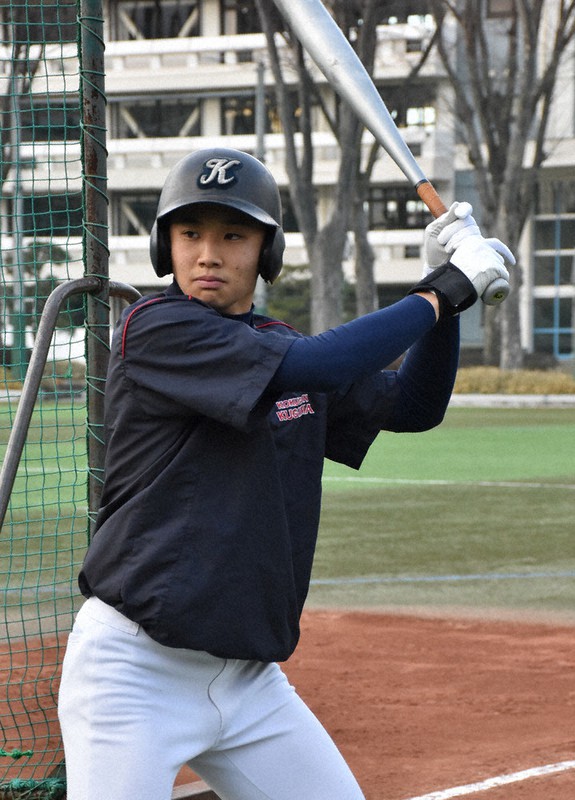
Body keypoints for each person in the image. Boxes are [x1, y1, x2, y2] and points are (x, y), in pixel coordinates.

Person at [58, 147, 514, 800]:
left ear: (265, 251)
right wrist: (446, 290)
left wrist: (443, 299)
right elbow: (314, 368)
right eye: (190, 234)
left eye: (232, 235)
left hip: (248, 684)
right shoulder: (156, 329)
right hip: (134, 676)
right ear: (165, 245)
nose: (208, 254)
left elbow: (413, 407)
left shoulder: (281, 345)